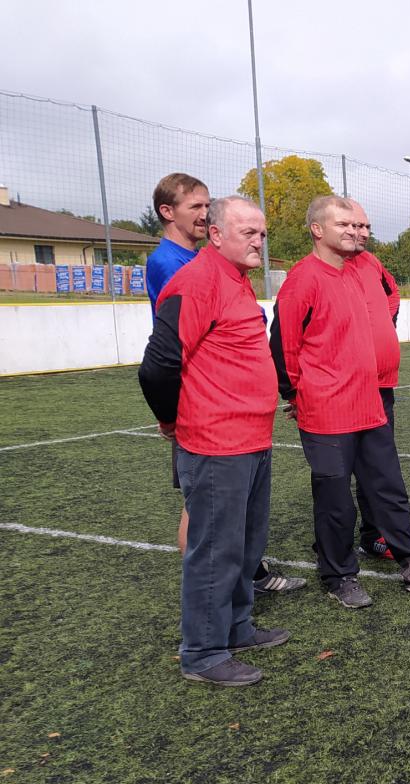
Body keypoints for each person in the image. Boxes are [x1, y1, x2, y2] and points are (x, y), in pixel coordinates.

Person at [271, 195, 410, 607]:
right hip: (327, 410)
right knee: (335, 498)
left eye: (356, 225)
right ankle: (339, 575)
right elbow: (284, 344)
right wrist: (296, 394)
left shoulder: (356, 271)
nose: (353, 231)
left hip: (369, 403)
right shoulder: (303, 279)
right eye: (343, 224)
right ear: (317, 229)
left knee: (388, 488)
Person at [138, 196, 288, 687]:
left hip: (252, 438)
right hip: (216, 442)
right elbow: (158, 366)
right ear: (216, 234)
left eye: (261, 233)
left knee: (245, 544)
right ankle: (202, 652)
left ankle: (236, 628)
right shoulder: (197, 282)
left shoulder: (235, 280)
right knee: (215, 550)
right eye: (248, 233)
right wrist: (170, 420)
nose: (258, 242)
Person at [144, 173, 305, 597]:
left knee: (229, 530)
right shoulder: (185, 271)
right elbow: (162, 360)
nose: (202, 214)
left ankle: (235, 607)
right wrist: (170, 418)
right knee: (209, 532)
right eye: (195, 207)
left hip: (241, 427)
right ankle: (211, 611)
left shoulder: (224, 271)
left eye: (207, 205)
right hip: (212, 421)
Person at [346, 199, 402, 561]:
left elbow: (392, 294)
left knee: (378, 466)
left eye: (366, 226)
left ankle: (373, 533)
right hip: (344, 388)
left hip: (381, 386)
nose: (362, 232)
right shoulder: (320, 271)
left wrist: (384, 325)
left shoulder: (371, 263)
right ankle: (333, 546)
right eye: (355, 225)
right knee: (337, 472)